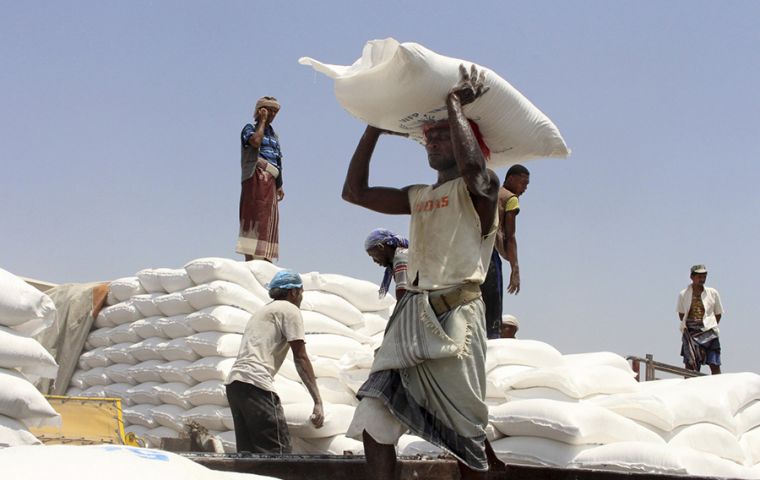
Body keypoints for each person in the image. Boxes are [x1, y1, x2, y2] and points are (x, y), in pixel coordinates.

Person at [342, 64, 503, 479]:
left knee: (466, 436)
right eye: (427, 137)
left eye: (444, 133)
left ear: (469, 141)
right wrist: (374, 129)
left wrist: (454, 104)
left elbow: (475, 172)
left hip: (457, 323)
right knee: (374, 415)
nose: (431, 140)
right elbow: (354, 192)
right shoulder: (419, 195)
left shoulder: (482, 190)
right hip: (412, 316)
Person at [224, 270, 324, 453]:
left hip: (235, 385)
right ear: (293, 292)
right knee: (278, 453)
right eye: (301, 292)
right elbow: (300, 356)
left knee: (249, 457)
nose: (301, 297)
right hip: (256, 384)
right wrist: (318, 401)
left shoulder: (263, 311)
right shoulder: (289, 309)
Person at [481, 164, 530, 338]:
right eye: (523, 183)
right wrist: (515, 269)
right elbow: (510, 236)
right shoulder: (511, 199)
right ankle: (493, 339)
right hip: (490, 253)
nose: (524, 188)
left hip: (475, 253)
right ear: (511, 178)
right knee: (494, 308)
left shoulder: (494, 195)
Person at [236, 96, 285, 262]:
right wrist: (262, 121)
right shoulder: (250, 128)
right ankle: (250, 260)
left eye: (274, 111)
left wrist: (279, 184)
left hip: (271, 180)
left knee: (268, 220)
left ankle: (265, 260)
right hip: (256, 176)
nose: (272, 114)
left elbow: (277, 160)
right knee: (254, 216)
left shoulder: (274, 136)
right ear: (259, 111)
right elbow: (256, 142)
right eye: (268, 110)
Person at [677, 264, 724, 375]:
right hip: (690, 332)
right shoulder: (683, 294)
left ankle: (718, 387)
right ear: (692, 277)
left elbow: (718, 314)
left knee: (714, 363)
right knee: (690, 365)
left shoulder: (713, 293)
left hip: (709, 332)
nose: (702, 279)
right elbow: (681, 314)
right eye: (699, 276)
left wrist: (708, 326)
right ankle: (690, 390)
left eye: (704, 276)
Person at [364, 228, 409, 301]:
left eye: (373, 256)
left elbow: (403, 296)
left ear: (381, 247)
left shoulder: (401, 258)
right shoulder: (404, 255)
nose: (374, 261)